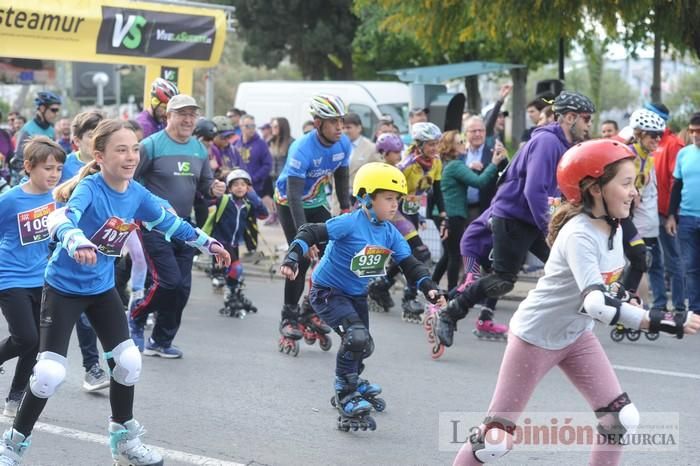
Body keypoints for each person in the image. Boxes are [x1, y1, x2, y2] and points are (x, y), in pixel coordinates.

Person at [452, 138, 700, 466]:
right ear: (595, 189)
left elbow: (604, 289)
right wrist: (664, 320)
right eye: (626, 183)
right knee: (495, 440)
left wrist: (626, 298)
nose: (634, 193)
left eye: (635, 183)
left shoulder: (616, 226)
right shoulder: (579, 234)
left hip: (576, 334)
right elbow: (596, 303)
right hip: (535, 338)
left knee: (619, 419)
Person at [0, 119, 230, 465]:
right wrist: (76, 240)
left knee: (128, 362)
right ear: (100, 155)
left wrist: (209, 243)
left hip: (102, 289)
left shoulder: (138, 194)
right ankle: (13, 445)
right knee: (49, 374)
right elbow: (61, 219)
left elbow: (173, 224)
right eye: (121, 150)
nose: (130, 156)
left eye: (134, 149)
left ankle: (123, 442)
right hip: (63, 289)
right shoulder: (90, 188)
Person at [279, 162, 446, 430]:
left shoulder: (390, 232)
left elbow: (410, 263)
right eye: (389, 199)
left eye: (398, 200)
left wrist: (429, 286)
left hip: (356, 295)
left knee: (364, 345)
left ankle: (353, 379)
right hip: (328, 291)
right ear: (367, 198)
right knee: (355, 338)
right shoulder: (350, 223)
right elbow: (309, 231)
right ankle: (345, 392)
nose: (395, 205)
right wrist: (293, 257)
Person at [438, 91, 595, 346]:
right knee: (503, 280)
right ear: (569, 117)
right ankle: (450, 312)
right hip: (513, 217)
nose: (589, 125)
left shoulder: (566, 146)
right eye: (586, 119)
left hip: (534, 219)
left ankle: (559, 326)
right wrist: (550, 229)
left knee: (570, 266)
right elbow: (533, 191)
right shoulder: (547, 143)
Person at [129, 95, 227, 358]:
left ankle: (161, 341)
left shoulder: (198, 149)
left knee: (182, 289)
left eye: (192, 115)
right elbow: (131, 181)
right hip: (154, 224)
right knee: (168, 282)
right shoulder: (150, 145)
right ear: (168, 116)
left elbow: (205, 185)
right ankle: (136, 317)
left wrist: (213, 187)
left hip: (184, 226)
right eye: (182, 113)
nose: (188, 119)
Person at [274, 93, 352, 351]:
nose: (340, 127)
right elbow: (295, 197)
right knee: (303, 256)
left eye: (342, 121)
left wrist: (346, 209)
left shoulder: (343, 144)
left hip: (316, 200)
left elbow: (341, 179)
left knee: (337, 249)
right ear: (318, 123)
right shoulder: (302, 148)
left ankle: (310, 308)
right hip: (290, 203)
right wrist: (302, 239)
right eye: (334, 122)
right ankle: (289, 315)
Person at [0, 137, 65, 418]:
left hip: (42, 279)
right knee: (25, 336)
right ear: (28, 166)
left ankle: (15, 398)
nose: (54, 174)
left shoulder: (57, 198)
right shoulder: (11, 199)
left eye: (59, 169)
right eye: (48, 168)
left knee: (37, 342)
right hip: (10, 277)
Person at [55, 110, 112, 392]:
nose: (97, 140)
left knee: (90, 313)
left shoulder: (109, 165)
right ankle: (39, 367)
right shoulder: (63, 165)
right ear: (77, 140)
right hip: (61, 248)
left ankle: (93, 367)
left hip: (98, 252)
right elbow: (49, 201)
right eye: (92, 136)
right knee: (44, 325)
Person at [367, 123, 443, 323]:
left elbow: (437, 189)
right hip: (397, 212)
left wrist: (442, 213)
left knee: (405, 256)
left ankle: (381, 285)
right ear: (419, 144)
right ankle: (409, 298)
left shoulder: (436, 163)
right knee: (421, 253)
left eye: (437, 144)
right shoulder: (407, 165)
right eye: (430, 144)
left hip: (412, 213)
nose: (435, 148)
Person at [432, 130, 506, 290]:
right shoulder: (455, 165)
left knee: (448, 255)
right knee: (455, 255)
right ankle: (450, 291)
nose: (464, 144)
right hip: (453, 214)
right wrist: (494, 163)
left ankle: (430, 286)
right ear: (451, 148)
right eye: (460, 142)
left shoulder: (449, 164)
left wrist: (471, 168)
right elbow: (479, 182)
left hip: (446, 213)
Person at [203, 169, 268, 317]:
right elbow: (207, 199)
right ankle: (229, 293)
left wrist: (255, 197)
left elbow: (264, 214)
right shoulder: (224, 200)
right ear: (229, 187)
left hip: (234, 244)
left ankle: (234, 293)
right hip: (220, 242)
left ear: (248, 188)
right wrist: (214, 191)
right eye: (236, 184)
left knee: (236, 272)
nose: (239, 187)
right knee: (236, 269)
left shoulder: (248, 204)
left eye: (243, 184)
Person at [626, 109, 667, 310]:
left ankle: (637, 307)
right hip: (636, 222)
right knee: (639, 264)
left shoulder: (647, 158)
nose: (658, 139)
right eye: (653, 135)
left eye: (660, 134)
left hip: (646, 222)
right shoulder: (630, 156)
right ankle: (636, 308)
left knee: (642, 264)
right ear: (639, 134)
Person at [648, 103, 686, 312]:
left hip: (665, 213)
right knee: (652, 260)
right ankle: (660, 304)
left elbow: (676, 181)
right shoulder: (647, 143)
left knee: (673, 260)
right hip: (648, 213)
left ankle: (679, 305)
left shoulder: (672, 144)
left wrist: (672, 213)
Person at [666, 112, 700, 314]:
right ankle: (696, 310)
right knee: (690, 266)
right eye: (692, 131)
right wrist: (671, 215)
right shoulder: (684, 154)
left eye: (699, 132)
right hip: (686, 218)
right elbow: (677, 186)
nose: (695, 135)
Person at [232, 114, 273, 255]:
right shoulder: (237, 143)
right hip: (237, 187)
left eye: (253, 126)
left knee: (251, 217)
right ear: (241, 127)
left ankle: (252, 248)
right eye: (248, 126)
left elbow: (268, 165)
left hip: (253, 187)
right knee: (238, 215)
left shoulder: (260, 144)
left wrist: (253, 179)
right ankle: (235, 246)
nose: (251, 129)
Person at [11, 92, 62, 171]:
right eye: (53, 110)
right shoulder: (27, 129)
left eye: (57, 110)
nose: (56, 114)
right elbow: (18, 160)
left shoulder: (52, 130)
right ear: (42, 108)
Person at [266, 117, 294, 225]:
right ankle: (276, 216)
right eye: (272, 126)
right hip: (274, 177)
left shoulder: (291, 142)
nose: (273, 129)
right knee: (277, 199)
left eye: (276, 126)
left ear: (282, 127)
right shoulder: (271, 141)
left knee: (287, 202)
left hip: (286, 178)